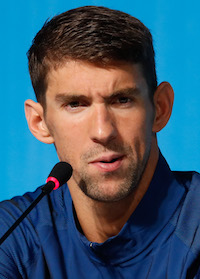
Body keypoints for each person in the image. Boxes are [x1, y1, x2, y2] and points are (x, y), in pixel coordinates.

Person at [0, 5, 200, 278]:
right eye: (75, 104)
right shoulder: (13, 236)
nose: (103, 131)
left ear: (160, 108)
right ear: (40, 123)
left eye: (122, 100)